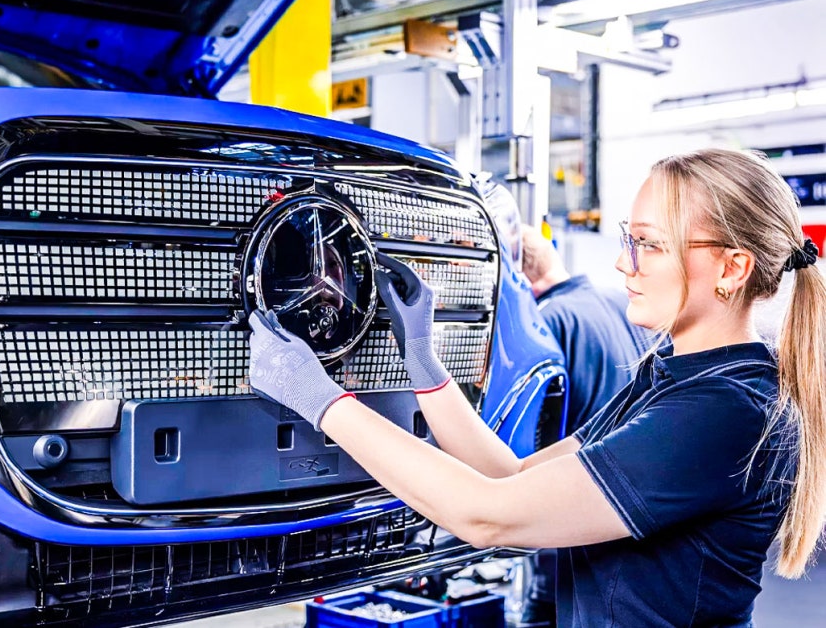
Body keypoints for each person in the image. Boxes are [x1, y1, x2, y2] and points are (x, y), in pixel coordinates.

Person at [248, 148, 826, 627]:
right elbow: (512, 477)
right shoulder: (670, 374)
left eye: (649, 244)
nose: (624, 263)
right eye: (629, 238)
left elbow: (488, 517)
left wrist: (322, 401)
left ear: (731, 268)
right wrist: (425, 365)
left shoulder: (727, 410)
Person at [518, 224, 650, 626]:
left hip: (570, 521)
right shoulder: (620, 302)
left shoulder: (544, 322)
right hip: (631, 518)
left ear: (517, 277)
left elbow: (528, 439)